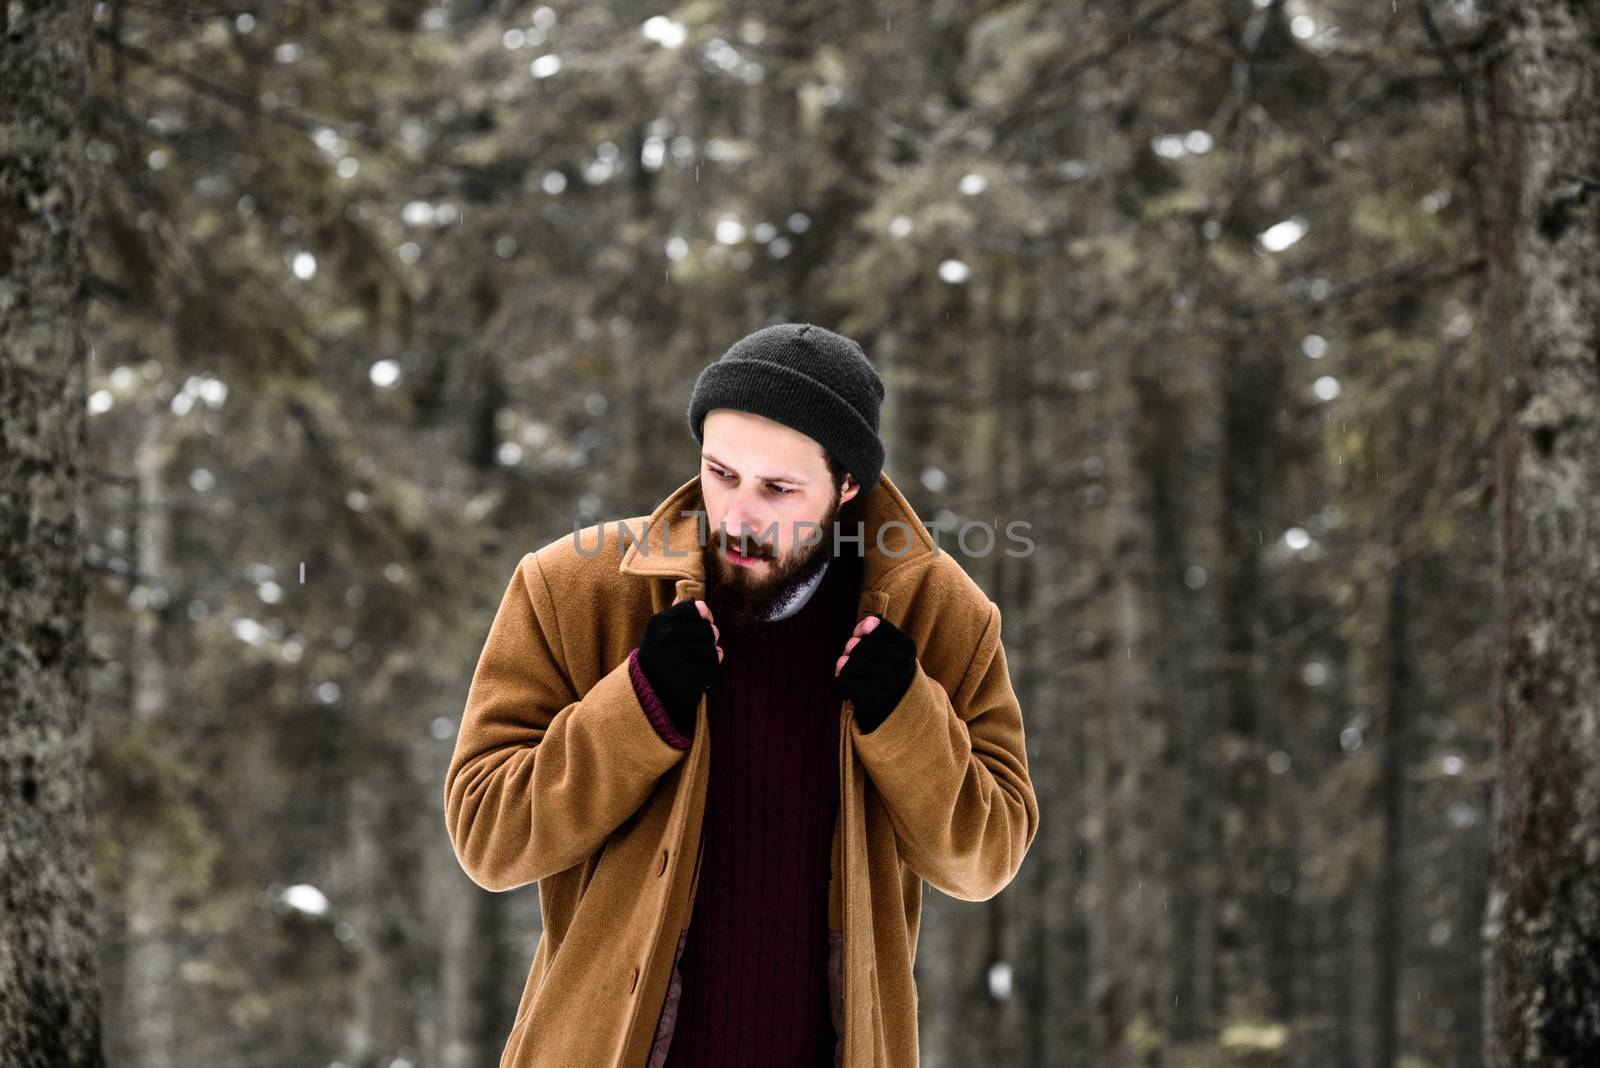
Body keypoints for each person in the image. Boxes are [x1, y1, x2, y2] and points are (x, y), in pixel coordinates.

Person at [443, 322, 1038, 1068]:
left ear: (848, 486)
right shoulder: (572, 591)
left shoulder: (944, 617)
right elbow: (487, 838)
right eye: (720, 474)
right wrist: (637, 706)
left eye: (779, 488)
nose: (739, 516)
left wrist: (909, 718)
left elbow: (986, 859)